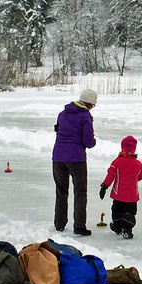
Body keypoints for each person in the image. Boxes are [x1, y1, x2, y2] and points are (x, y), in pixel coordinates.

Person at [52, 87, 97, 236]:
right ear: (90, 104)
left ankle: (59, 224)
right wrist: (93, 141)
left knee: (61, 191)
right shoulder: (85, 116)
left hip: (58, 157)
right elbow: (88, 141)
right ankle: (79, 226)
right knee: (80, 192)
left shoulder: (62, 114)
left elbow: (58, 132)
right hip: (76, 159)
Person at [99, 135, 142, 238]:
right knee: (130, 213)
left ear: (122, 148)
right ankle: (127, 229)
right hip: (132, 196)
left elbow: (110, 175)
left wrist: (104, 186)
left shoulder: (117, 162)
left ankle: (117, 226)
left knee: (117, 211)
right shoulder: (138, 164)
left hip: (118, 194)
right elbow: (140, 177)